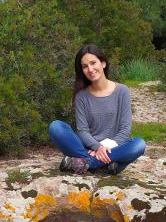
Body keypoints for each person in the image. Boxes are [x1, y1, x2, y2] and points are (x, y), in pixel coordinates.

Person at [49, 44, 146, 175]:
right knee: (56, 127)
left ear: (103, 63)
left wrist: (105, 148)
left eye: (93, 63)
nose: (90, 69)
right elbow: (82, 131)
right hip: (87, 148)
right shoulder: (81, 96)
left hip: (113, 149)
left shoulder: (122, 91)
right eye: (85, 66)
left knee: (139, 144)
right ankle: (106, 166)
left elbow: (125, 130)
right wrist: (97, 147)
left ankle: (86, 163)